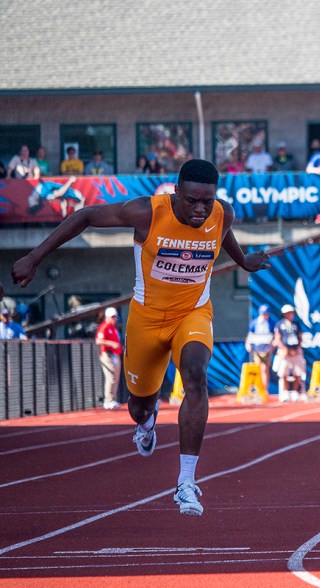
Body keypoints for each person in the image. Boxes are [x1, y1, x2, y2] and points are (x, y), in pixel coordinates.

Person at [11, 159, 270, 515]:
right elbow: (85, 216)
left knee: (195, 375)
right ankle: (147, 421)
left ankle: (186, 482)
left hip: (193, 313)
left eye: (206, 202)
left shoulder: (223, 213)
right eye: (192, 200)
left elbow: (222, 234)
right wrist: (34, 257)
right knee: (138, 406)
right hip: (146, 320)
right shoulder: (146, 213)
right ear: (176, 192)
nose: (199, 209)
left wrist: (243, 262)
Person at [273, 304, 306, 402]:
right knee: (284, 372)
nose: (290, 315)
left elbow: (300, 337)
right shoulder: (279, 324)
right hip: (284, 351)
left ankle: (296, 392)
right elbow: (277, 338)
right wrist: (284, 349)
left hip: (296, 351)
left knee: (298, 372)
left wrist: (296, 349)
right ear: (284, 314)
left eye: (291, 313)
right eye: (287, 313)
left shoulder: (296, 325)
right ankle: (286, 392)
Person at [95, 307, 123, 409]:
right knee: (110, 378)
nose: (114, 319)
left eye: (115, 317)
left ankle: (113, 399)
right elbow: (98, 341)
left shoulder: (114, 328)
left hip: (115, 355)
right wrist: (111, 344)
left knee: (115, 378)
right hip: (107, 355)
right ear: (107, 317)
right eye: (112, 317)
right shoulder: (104, 327)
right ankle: (108, 400)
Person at [245, 304, 276, 393]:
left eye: (266, 313)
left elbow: (275, 336)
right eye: (263, 313)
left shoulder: (271, 323)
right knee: (257, 369)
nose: (265, 315)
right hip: (257, 350)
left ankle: (264, 390)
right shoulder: (254, 323)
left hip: (266, 350)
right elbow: (250, 335)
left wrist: (272, 347)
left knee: (264, 369)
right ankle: (257, 390)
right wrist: (248, 345)